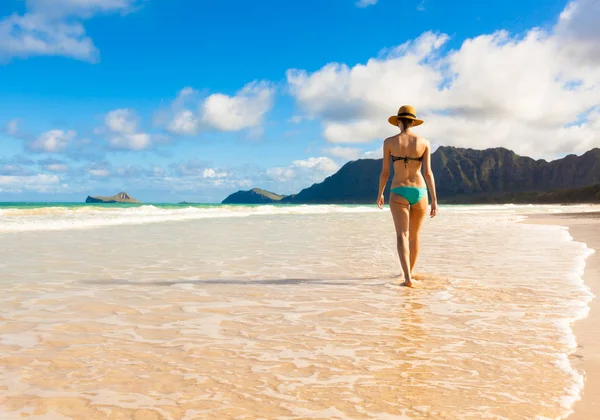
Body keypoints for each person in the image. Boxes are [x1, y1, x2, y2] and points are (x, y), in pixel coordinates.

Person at [377, 105, 438, 287]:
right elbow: (428, 172)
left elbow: (385, 172)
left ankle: (407, 278)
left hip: (398, 191)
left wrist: (380, 193)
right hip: (420, 191)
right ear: (413, 122)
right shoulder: (424, 142)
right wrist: (434, 199)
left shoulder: (389, 142)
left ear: (398, 122)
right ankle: (410, 271)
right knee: (415, 235)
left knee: (402, 235)